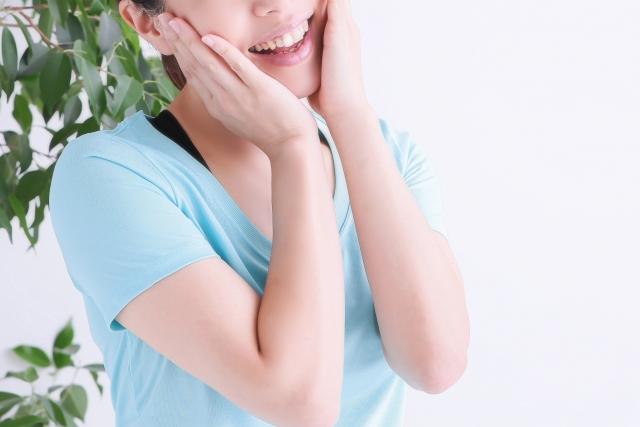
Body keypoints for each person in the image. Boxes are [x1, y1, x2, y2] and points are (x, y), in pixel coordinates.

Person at [49, 0, 470, 425]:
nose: (278, 4)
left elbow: (434, 364)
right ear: (149, 23)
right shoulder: (107, 175)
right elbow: (301, 402)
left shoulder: (389, 154)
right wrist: (292, 146)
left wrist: (350, 115)